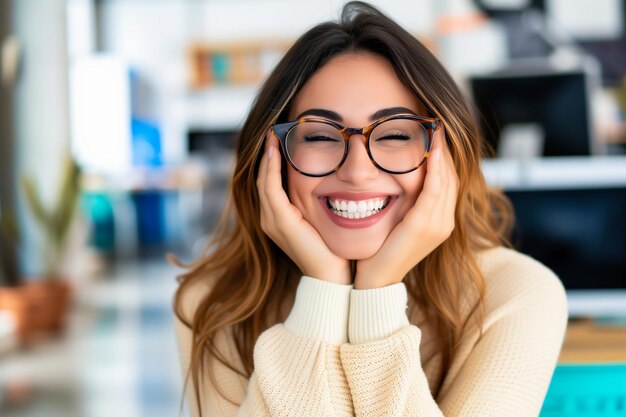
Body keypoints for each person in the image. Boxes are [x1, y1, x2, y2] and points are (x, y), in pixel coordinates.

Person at [172, 2, 568, 416]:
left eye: (395, 133)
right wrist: (324, 291)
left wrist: (377, 292)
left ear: (447, 154)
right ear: (272, 159)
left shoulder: (517, 294)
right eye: (320, 136)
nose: (357, 171)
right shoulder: (212, 302)